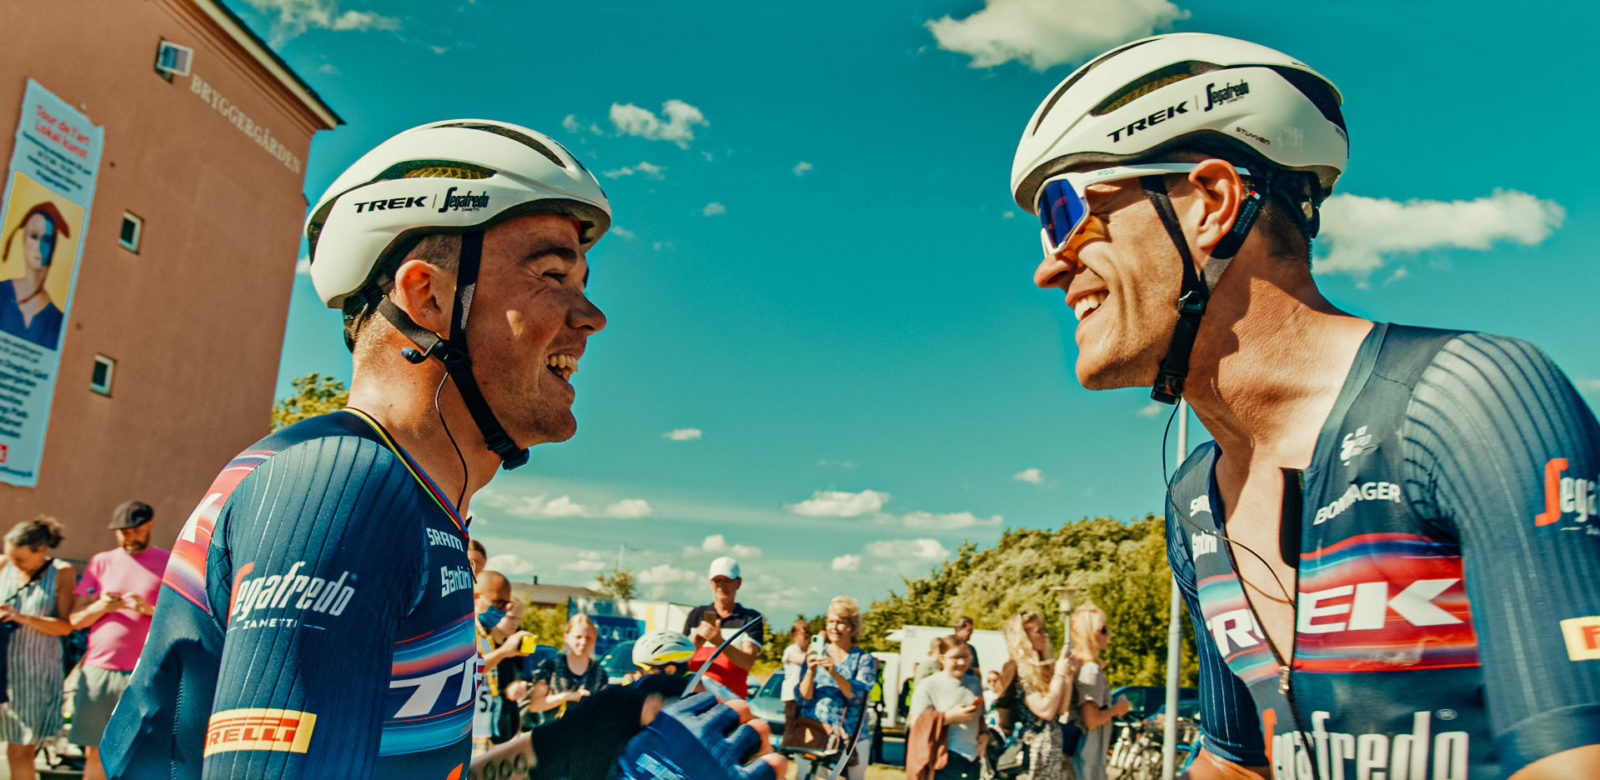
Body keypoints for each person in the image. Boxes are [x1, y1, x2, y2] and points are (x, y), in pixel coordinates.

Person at [99, 119, 781, 780]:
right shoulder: (343, 491)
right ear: (427, 297)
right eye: (552, 275)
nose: (592, 316)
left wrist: (587, 740)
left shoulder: (403, 498)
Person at [1010, 32, 1600, 780]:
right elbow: (1237, 765)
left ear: (1212, 203)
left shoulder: (1466, 400)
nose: (1048, 267)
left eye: (1064, 211)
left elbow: (1575, 760)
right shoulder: (1194, 497)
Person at [67, 501, 171, 780]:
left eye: (134, 530)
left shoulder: (169, 563)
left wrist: (147, 609)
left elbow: (179, 616)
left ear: (149, 525)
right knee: (95, 750)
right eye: (122, 532)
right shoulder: (101, 562)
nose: (128, 537)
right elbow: (75, 620)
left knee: (142, 752)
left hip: (145, 671)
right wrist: (101, 606)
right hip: (100, 669)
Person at [0, 517, 74, 780]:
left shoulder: (61, 572)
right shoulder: (3, 564)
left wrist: (20, 617)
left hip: (35, 675)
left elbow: (65, 626)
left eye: (20, 559)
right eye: (11, 557)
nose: (15, 564)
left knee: (22, 747)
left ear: (40, 550)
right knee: (14, 746)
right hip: (3, 670)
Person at [796, 595, 878, 780]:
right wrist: (810, 671)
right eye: (831, 621)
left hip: (852, 738)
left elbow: (858, 696)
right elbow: (803, 697)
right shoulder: (815, 653)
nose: (834, 627)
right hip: (815, 733)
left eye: (841, 622)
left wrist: (834, 672)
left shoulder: (863, 659)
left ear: (853, 626)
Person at [998, 610, 1077, 780]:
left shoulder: (1042, 669)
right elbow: (1044, 710)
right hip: (1033, 751)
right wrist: (1059, 674)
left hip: (1051, 749)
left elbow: (1060, 709)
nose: (1045, 635)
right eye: (1038, 631)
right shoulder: (1020, 671)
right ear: (1024, 638)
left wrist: (1068, 676)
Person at [682, 556, 764, 698]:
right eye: (717, 580)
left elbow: (747, 663)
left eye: (727, 580)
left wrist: (719, 642)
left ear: (738, 583)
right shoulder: (696, 614)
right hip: (693, 698)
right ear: (710, 582)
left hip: (731, 701)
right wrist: (695, 645)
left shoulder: (750, 618)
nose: (721, 586)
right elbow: (681, 661)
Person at [908, 635, 988, 780]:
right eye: (955, 657)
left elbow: (980, 716)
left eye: (966, 657)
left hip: (972, 759)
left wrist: (984, 734)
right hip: (944, 758)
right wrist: (949, 717)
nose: (961, 662)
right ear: (942, 658)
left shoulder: (975, 683)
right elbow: (915, 722)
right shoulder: (929, 685)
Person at [473, 570, 535, 754]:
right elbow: (470, 671)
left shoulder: (486, 637)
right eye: (499, 603)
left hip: (485, 732)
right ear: (476, 597)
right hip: (466, 732)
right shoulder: (464, 631)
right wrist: (503, 652)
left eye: (507, 605)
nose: (502, 610)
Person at [1065, 606, 1128, 780]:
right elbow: (1091, 720)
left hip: (1078, 753)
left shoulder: (1075, 664)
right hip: (1088, 753)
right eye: (1103, 630)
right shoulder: (1090, 670)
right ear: (1090, 634)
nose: (1108, 635)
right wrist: (1118, 709)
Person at [0, 202, 68, 349]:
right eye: (34, 236)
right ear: (24, 240)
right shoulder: (2, 293)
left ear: (53, 247)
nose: (39, 246)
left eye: (47, 240)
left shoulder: (57, 320)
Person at [526, 614, 607, 721]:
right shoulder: (550, 666)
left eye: (588, 638)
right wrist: (568, 696)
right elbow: (534, 705)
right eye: (578, 637)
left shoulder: (600, 674)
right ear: (566, 638)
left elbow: (602, 711)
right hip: (551, 729)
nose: (583, 642)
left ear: (594, 640)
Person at [781, 619, 811, 725]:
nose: (807, 636)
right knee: (792, 727)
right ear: (795, 634)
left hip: (804, 696)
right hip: (792, 696)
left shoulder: (807, 651)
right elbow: (804, 661)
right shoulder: (791, 650)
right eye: (804, 633)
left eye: (808, 633)